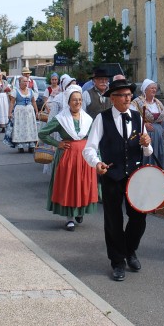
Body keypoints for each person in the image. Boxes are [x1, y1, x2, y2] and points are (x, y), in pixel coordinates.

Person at [83, 79, 153, 282]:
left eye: (129, 95)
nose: (127, 98)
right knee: (113, 221)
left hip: (135, 175)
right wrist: (96, 163)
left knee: (139, 218)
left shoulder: (137, 117)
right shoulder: (102, 119)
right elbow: (89, 148)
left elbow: (147, 150)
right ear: (112, 98)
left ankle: (130, 251)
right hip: (112, 175)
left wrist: (146, 143)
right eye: (123, 95)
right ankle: (117, 262)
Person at [39, 84, 98, 231]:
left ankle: (80, 211)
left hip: (84, 157)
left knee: (83, 185)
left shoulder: (88, 119)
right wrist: (57, 143)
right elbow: (42, 133)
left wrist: (97, 157)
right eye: (74, 100)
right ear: (68, 102)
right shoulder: (61, 119)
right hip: (68, 157)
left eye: (79, 100)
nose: (77, 102)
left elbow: (93, 138)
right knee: (69, 186)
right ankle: (69, 218)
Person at [132, 79, 164, 168]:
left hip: (158, 135)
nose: (154, 90)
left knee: (158, 155)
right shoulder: (137, 102)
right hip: (145, 136)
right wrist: (144, 124)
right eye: (152, 88)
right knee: (147, 156)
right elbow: (133, 118)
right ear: (145, 90)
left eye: (155, 88)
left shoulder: (158, 103)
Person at [7, 75, 39, 153]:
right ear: (19, 82)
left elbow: (33, 101)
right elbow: (12, 102)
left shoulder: (31, 91)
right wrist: (9, 112)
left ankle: (31, 144)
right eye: (24, 81)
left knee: (29, 127)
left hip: (29, 111)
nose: (26, 83)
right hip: (19, 112)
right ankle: (20, 145)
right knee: (20, 127)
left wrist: (37, 111)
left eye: (26, 81)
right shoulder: (15, 91)